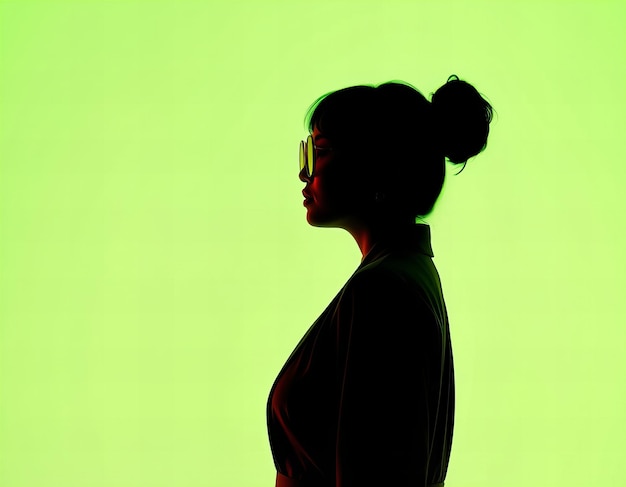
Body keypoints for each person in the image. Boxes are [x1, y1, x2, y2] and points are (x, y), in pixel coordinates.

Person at [267, 75, 494, 487]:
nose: (305, 172)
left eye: (320, 151)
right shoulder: (407, 277)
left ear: (378, 167)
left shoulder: (383, 292)